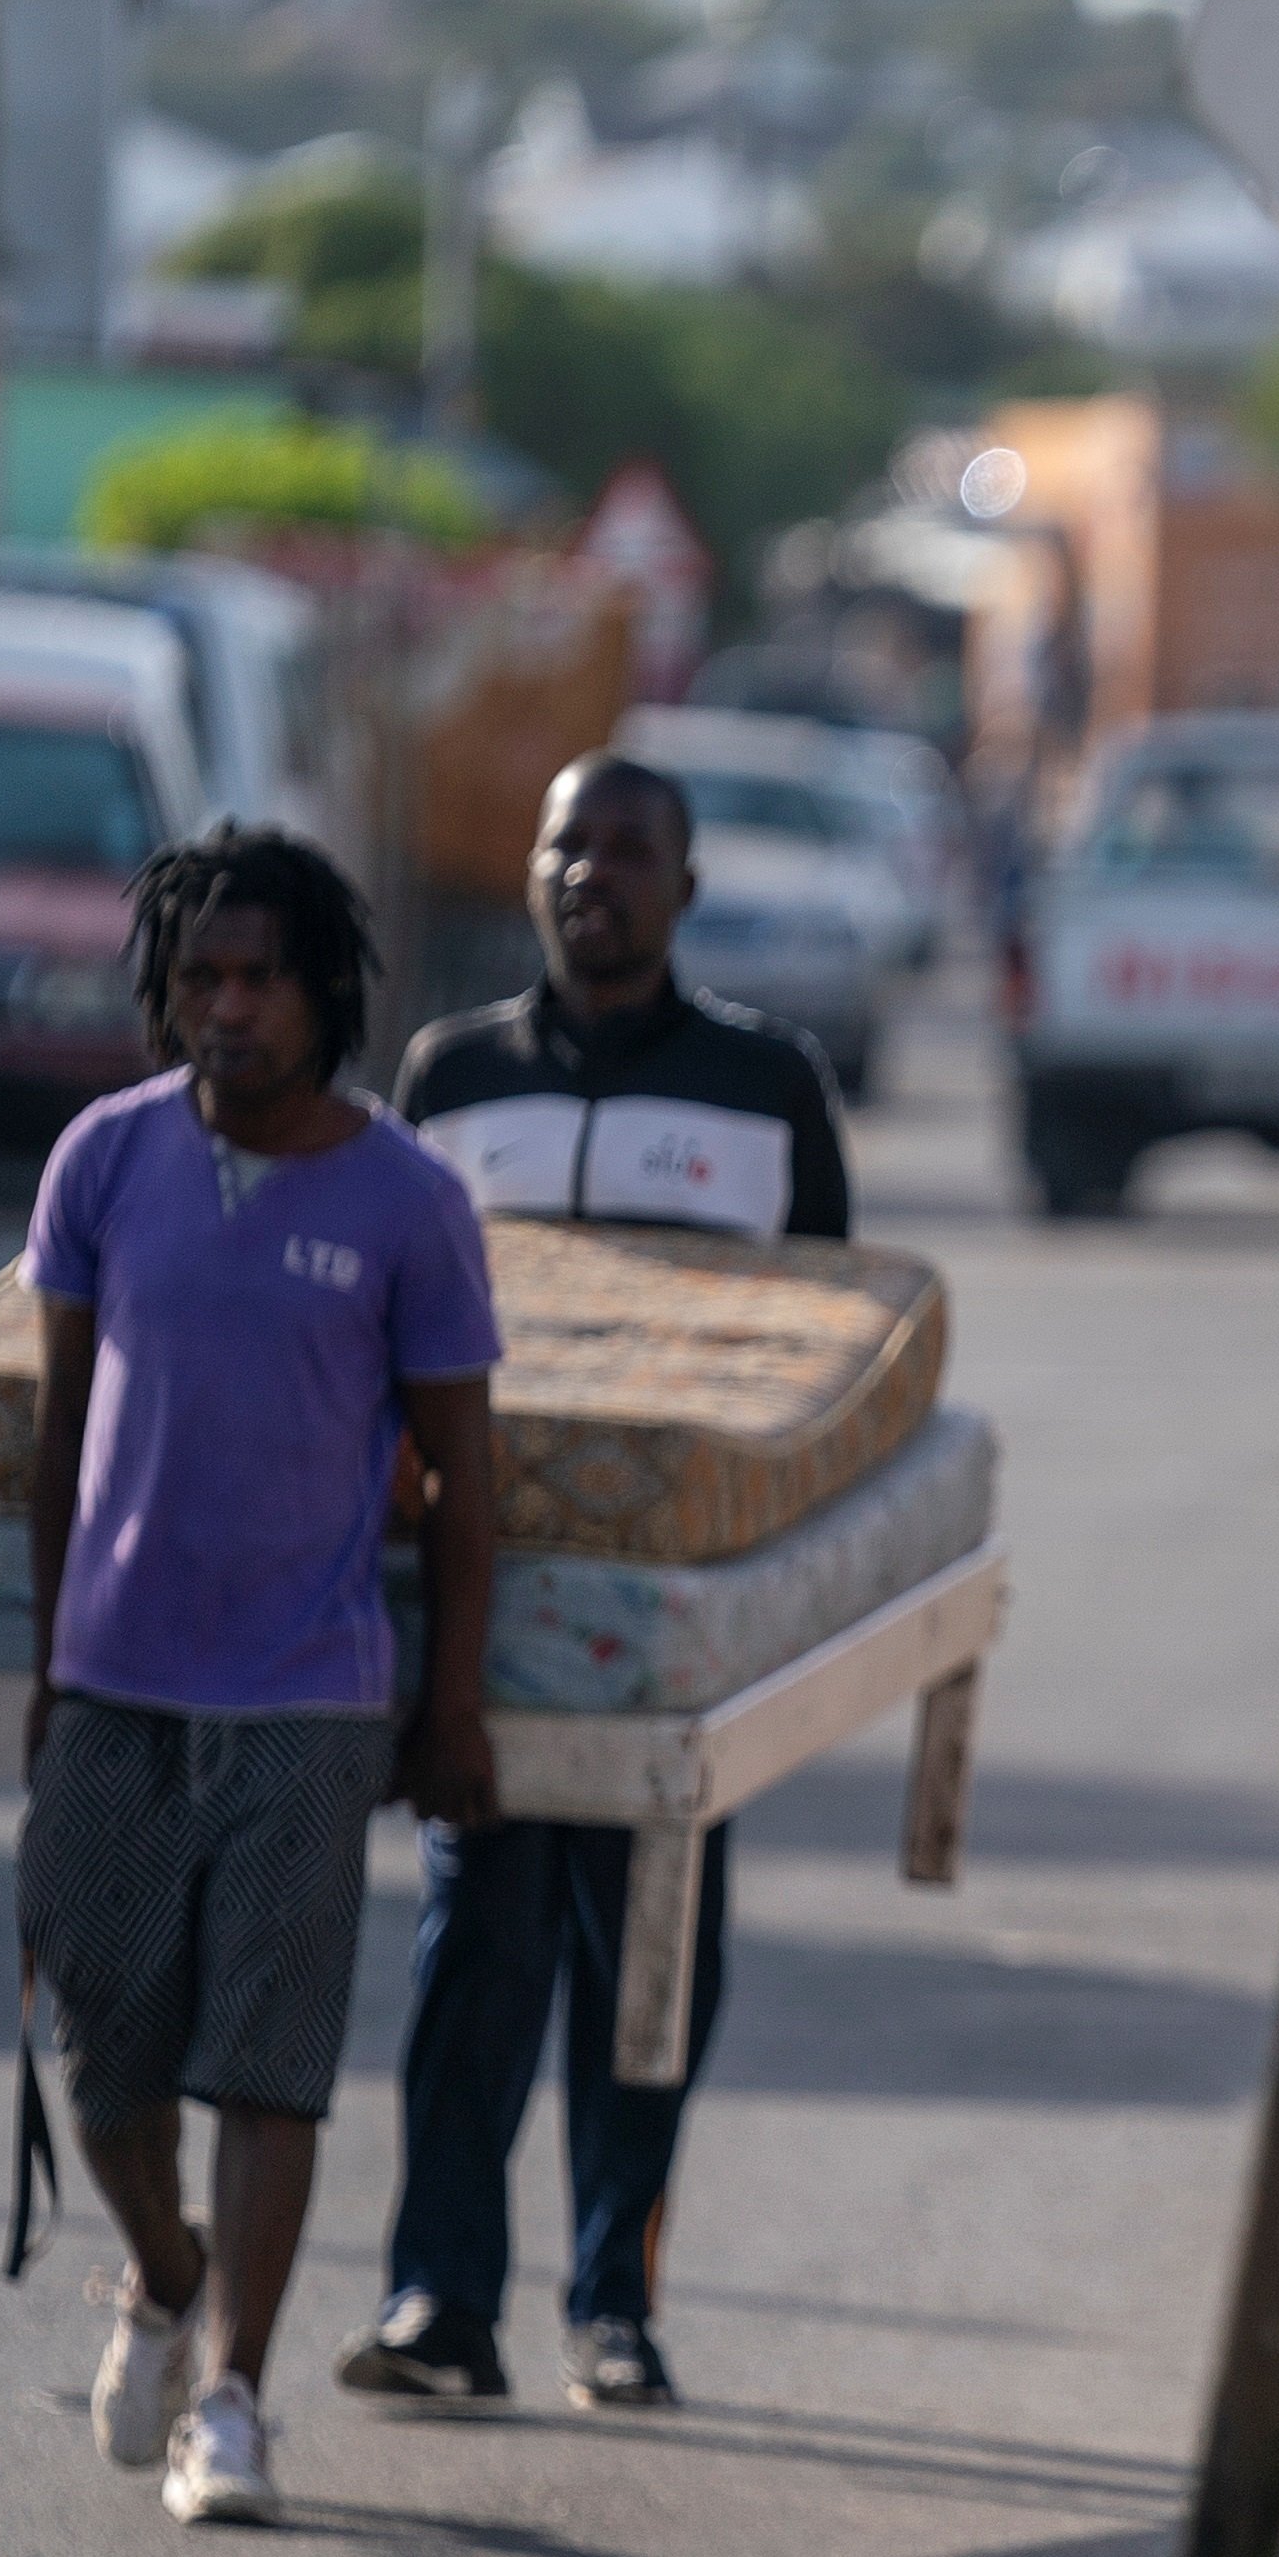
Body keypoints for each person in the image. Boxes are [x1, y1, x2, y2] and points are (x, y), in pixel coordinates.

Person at [339, 756, 857, 2413]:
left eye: (631, 851)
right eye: (570, 844)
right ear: (536, 869)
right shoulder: (450, 1071)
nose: (595, 875)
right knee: (470, 1951)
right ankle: (441, 2294)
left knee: (651, 1967)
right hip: (480, 1616)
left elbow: (833, 1359)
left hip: (675, 1624)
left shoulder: (768, 1084)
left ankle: (611, 2300)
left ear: (685, 887)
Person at [22, 828, 505, 2529]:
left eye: (260, 978)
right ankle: (166, 2266)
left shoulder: (408, 1205)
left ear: (327, 995)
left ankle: (229, 2393)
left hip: (309, 1689)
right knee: (104, 2053)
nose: (226, 1008)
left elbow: (463, 1477)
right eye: (198, 978)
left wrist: (450, 1704)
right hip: (116, 1674)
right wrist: (44, 1658)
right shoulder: (104, 1161)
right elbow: (59, 1428)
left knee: (270, 2058)